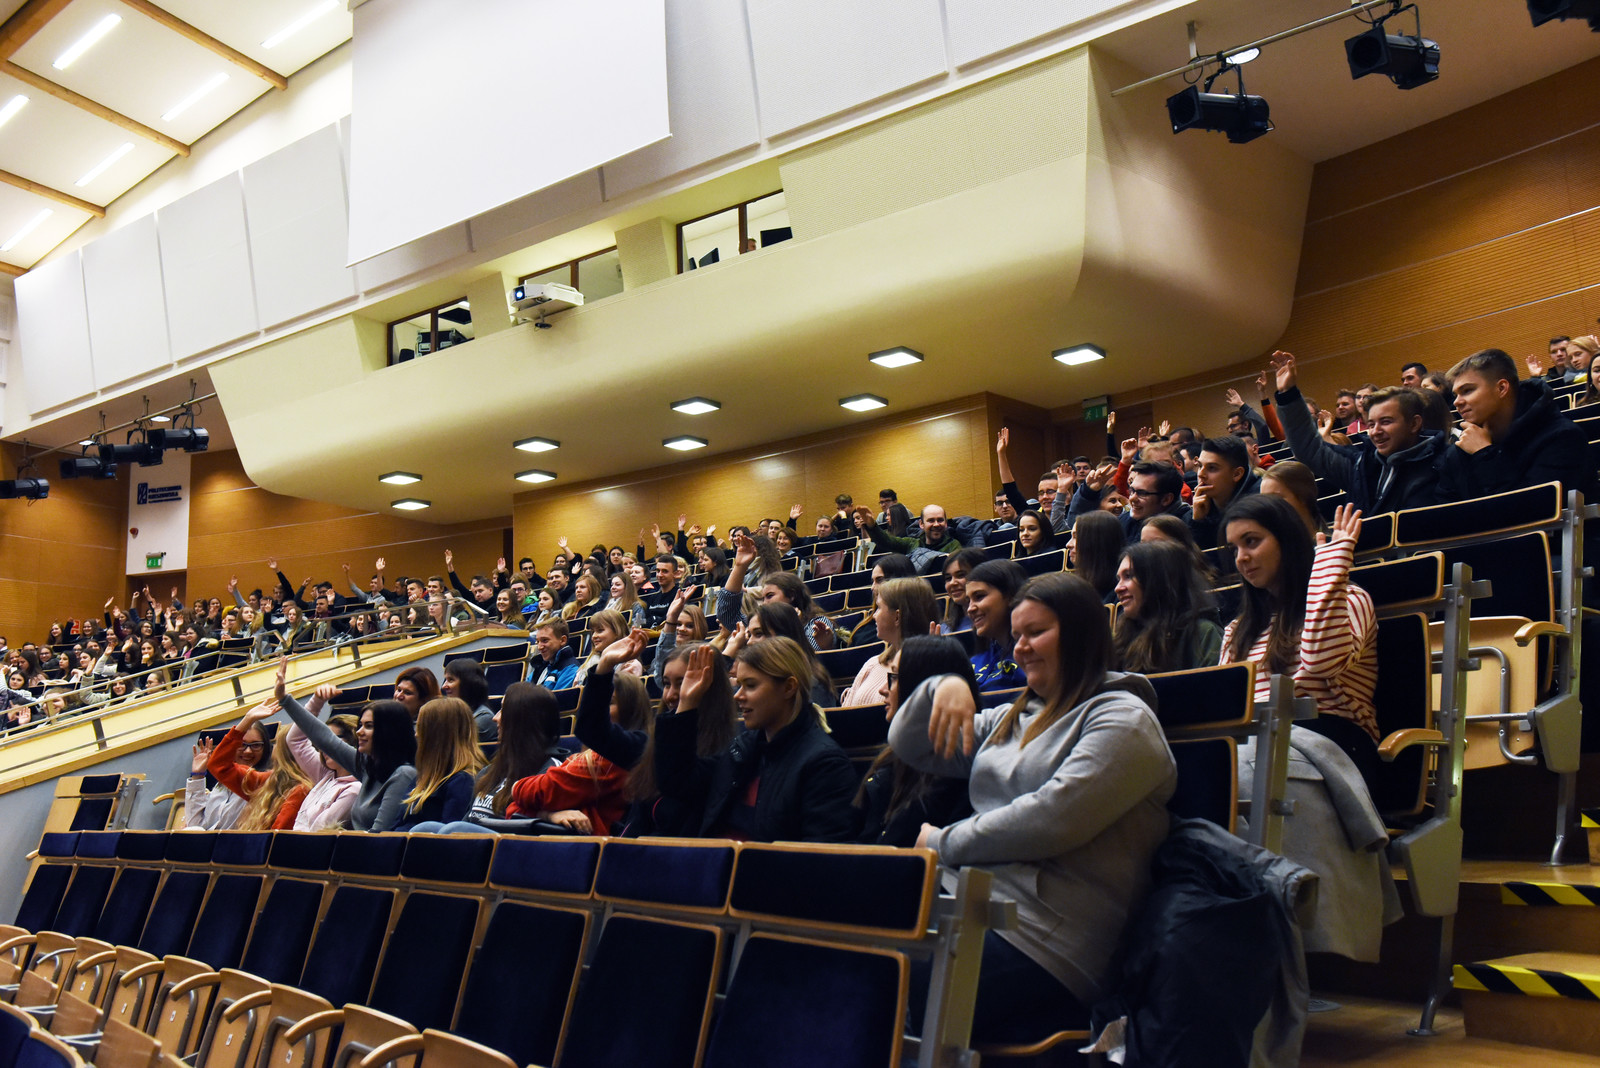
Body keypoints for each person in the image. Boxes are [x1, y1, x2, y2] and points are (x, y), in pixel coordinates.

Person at [888, 572, 1176, 1044]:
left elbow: (1052, 819)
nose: (1020, 648)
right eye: (1017, 635)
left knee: (882, 985)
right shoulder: (1015, 716)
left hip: (1048, 940)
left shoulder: (1125, 720)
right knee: (838, 949)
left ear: (1081, 635)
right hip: (968, 905)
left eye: (1036, 632)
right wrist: (943, 684)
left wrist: (942, 841)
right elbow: (910, 743)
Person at [1223, 496, 1379, 786]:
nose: (1241, 557)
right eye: (1234, 549)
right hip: (1257, 743)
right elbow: (1228, 708)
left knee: (1239, 772)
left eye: (1251, 541)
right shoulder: (1237, 629)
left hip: (1334, 746)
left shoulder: (1350, 599)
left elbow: (1321, 662)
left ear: (1286, 540)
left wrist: (1329, 571)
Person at [656, 639, 857, 841]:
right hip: (717, 858)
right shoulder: (744, 748)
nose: (738, 696)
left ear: (788, 687)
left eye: (750, 686)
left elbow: (819, 853)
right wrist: (687, 703)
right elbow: (676, 783)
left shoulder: (824, 764)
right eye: (739, 685)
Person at [1271, 350, 1448, 514]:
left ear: (1414, 424)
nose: (1375, 431)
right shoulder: (1360, 465)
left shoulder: (1446, 462)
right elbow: (1309, 448)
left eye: (1386, 422)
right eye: (1371, 424)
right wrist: (1288, 394)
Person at [852, 636, 974, 846]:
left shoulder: (957, 779)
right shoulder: (889, 761)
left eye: (894, 678)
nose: (883, 689)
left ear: (921, 687)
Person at [275, 659, 419, 831]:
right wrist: (284, 699)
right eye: (360, 725)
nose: (359, 732)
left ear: (389, 731)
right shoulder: (367, 766)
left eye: (368, 726)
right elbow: (323, 737)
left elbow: (379, 835)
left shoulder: (404, 774)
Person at [508, 668, 655, 835]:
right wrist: (549, 815)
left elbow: (532, 796)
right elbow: (513, 811)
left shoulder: (605, 763)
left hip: (583, 846)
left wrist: (516, 787)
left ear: (630, 710)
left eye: (609, 703)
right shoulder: (588, 759)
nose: (598, 710)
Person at [1439, 347, 1591, 501]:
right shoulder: (1459, 450)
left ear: (1501, 388)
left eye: (1467, 390)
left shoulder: (1563, 437)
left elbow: (1534, 508)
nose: (1457, 402)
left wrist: (1484, 454)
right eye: (1455, 395)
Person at [1113, 541, 1221, 672]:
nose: (1118, 588)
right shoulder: (1122, 638)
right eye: (1119, 579)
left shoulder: (1203, 634)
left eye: (1128, 576)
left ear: (1157, 580)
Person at [208, 703, 312, 831]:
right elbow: (218, 765)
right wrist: (248, 719)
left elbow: (276, 837)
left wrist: (246, 721)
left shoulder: (301, 790)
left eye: (277, 743)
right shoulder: (269, 781)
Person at [839, 578, 939, 706]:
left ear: (897, 617)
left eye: (879, 608)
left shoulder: (928, 672)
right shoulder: (872, 664)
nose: (874, 615)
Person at [395, 697, 482, 831]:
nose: (416, 734)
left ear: (436, 735)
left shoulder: (462, 781)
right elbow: (396, 826)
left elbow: (448, 835)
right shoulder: (422, 778)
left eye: (421, 727)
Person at [285, 699, 362, 831]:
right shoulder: (326, 773)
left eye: (331, 740)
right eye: (322, 742)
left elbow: (318, 831)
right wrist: (316, 702)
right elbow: (295, 740)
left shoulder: (354, 789)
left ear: (352, 741)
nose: (324, 747)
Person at [185, 716, 272, 830]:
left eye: (256, 745)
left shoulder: (264, 784)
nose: (248, 751)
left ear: (265, 748)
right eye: (242, 744)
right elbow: (195, 824)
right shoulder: (222, 782)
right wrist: (198, 775)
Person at [964, 559, 1028, 692]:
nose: (970, 609)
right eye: (968, 600)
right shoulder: (974, 662)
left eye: (979, 597)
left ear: (1011, 596)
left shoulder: (1035, 655)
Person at [1188, 435, 1260, 547]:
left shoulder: (1260, 502)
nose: (1200, 474)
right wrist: (1198, 521)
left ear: (1237, 474)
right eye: (1200, 466)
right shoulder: (1199, 505)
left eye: (1212, 468)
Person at [855, 504, 961, 573]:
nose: (936, 524)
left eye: (940, 520)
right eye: (931, 520)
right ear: (921, 524)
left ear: (946, 523)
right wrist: (872, 525)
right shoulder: (912, 543)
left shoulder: (954, 546)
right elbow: (887, 541)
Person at [1259, 459, 1324, 538]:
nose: (1268, 506)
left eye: (1276, 498)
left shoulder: (1331, 543)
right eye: (1264, 500)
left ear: (1303, 497)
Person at [1067, 511, 1123, 603]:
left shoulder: (1119, 593)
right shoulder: (1077, 587)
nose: (1068, 544)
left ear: (1096, 543)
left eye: (1076, 537)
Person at [441, 658, 497, 742]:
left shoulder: (483, 717)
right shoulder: (452, 713)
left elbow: (451, 745)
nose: (443, 686)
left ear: (467, 684)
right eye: (445, 680)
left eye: (451, 680)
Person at [939, 548, 987, 635]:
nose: (952, 583)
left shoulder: (994, 623)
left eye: (961, 575)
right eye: (948, 578)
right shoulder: (943, 630)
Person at [529, 619, 579, 690]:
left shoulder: (571, 669)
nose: (539, 647)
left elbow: (557, 697)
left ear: (563, 640)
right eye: (537, 641)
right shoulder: (540, 667)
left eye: (545, 640)